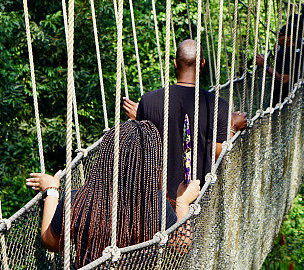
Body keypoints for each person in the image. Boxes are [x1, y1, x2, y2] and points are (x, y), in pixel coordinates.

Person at [26, 120, 200, 267]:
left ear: (105, 158)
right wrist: (182, 202)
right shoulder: (154, 204)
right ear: (150, 165)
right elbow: (181, 245)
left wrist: (52, 191)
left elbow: (51, 242)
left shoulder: (78, 200)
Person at [123, 39, 247, 202]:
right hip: (199, 199)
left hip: (158, 200)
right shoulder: (218, 106)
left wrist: (140, 119)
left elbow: (143, 146)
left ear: (175, 63)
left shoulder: (148, 101)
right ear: (202, 64)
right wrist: (231, 127)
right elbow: (220, 155)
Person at [258, 24, 304, 107]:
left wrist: (265, 66)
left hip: (285, 101)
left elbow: (283, 79)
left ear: (289, 38)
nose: (278, 38)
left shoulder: (284, 53)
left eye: (280, 35)